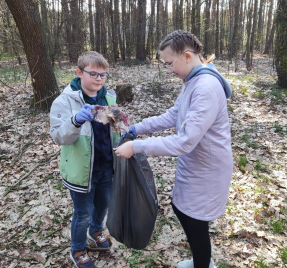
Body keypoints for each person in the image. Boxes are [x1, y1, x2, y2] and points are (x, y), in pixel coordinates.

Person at [114, 30, 233, 268]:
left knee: (194, 220)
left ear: (187, 56)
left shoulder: (206, 87)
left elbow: (185, 141)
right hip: (195, 164)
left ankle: (203, 264)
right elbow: (174, 114)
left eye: (170, 63)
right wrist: (137, 129)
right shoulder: (192, 81)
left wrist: (137, 146)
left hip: (207, 170)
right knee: (183, 211)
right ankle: (201, 260)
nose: (169, 70)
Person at [50, 51, 119, 268]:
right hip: (81, 171)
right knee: (82, 213)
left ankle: (96, 231)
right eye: (93, 74)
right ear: (79, 73)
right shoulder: (64, 101)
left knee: (102, 205)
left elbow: (114, 129)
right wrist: (76, 120)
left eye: (103, 75)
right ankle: (78, 249)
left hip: (106, 165)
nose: (99, 79)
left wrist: (125, 131)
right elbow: (58, 136)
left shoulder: (109, 97)